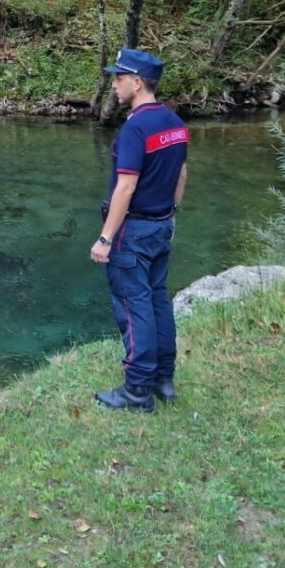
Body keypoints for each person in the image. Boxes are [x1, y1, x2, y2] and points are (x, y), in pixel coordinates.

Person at [91, 48, 189, 413]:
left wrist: (105, 238)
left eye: (118, 78)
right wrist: (172, 215)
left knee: (134, 308)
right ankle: (164, 378)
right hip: (162, 225)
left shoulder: (135, 128)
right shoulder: (174, 123)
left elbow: (126, 187)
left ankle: (136, 391)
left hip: (133, 233)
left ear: (137, 82)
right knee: (158, 300)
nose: (113, 85)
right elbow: (181, 174)